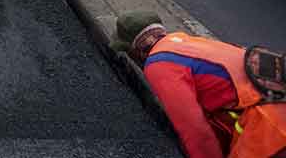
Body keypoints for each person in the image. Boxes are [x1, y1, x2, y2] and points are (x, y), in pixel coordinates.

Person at [113, 11, 286, 158]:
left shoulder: (158, 64)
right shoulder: (185, 42)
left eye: (129, 52)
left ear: (137, 49)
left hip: (270, 124)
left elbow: (196, 131)